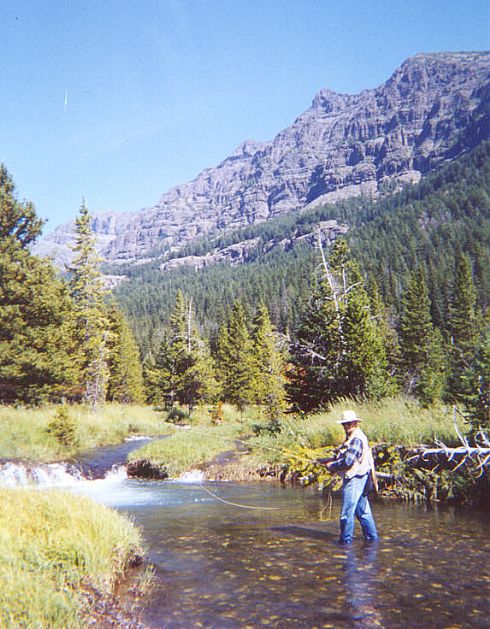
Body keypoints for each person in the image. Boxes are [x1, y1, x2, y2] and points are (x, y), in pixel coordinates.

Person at [322, 410, 379, 545]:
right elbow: (346, 457)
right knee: (362, 512)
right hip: (363, 477)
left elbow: (348, 461)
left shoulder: (356, 439)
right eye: (344, 424)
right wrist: (329, 460)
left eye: (349, 423)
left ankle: (345, 543)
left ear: (355, 423)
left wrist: (332, 466)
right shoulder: (354, 437)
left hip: (356, 479)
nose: (347, 426)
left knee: (347, 513)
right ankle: (373, 541)